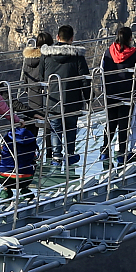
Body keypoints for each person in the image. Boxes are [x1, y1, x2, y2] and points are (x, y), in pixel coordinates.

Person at [38, 28, 89, 171]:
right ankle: (70, 154)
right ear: (72, 38)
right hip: (72, 100)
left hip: (53, 99)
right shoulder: (78, 56)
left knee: (55, 130)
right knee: (71, 128)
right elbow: (84, 80)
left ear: (57, 37)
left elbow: (41, 76)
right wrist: (88, 98)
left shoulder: (46, 55)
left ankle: (56, 157)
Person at [101, 29, 136, 163]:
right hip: (126, 93)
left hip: (110, 93)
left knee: (110, 123)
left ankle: (105, 150)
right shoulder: (135, 53)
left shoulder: (108, 52)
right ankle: (122, 153)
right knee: (124, 124)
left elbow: (102, 69)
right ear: (130, 38)